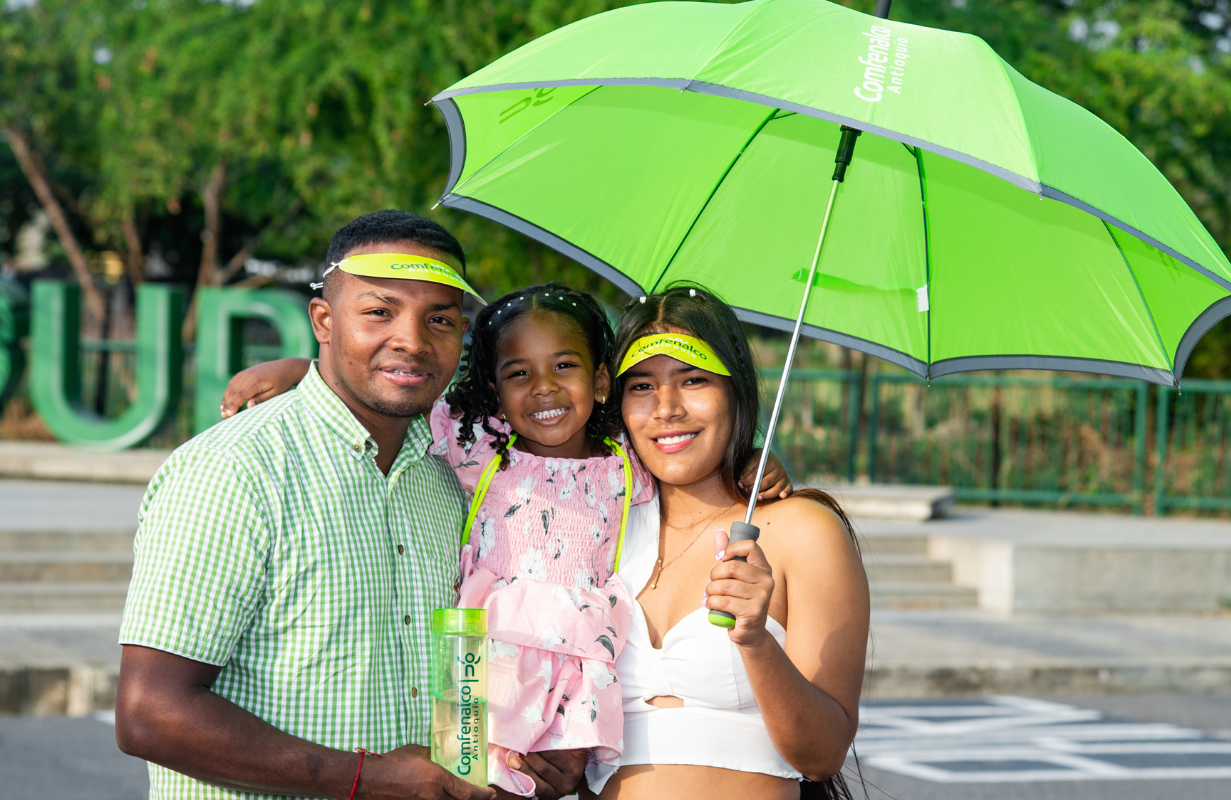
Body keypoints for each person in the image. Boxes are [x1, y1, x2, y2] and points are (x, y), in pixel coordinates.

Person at [222, 282, 792, 797]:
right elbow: (387, 390)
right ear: (494, 392)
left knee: (547, 783)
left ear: (600, 381)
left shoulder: (628, 460)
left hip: (578, 660)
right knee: (464, 780)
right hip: (480, 646)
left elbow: (684, 451)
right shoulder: (476, 443)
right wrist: (301, 368)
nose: (544, 388)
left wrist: (750, 461)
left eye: (564, 366)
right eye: (519, 374)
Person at [114, 211, 586, 800]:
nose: (412, 340)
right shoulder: (235, 470)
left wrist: (515, 754)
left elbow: (456, 669)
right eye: (380, 312)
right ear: (324, 321)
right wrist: (375, 780)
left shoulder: (450, 477)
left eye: (439, 319)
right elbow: (149, 713)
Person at [590, 284, 869, 800]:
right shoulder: (597, 526)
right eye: (642, 385)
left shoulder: (804, 532)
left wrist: (756, 641)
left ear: (735, 392)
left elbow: (823, 755)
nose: (666, 408)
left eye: (693, 380)